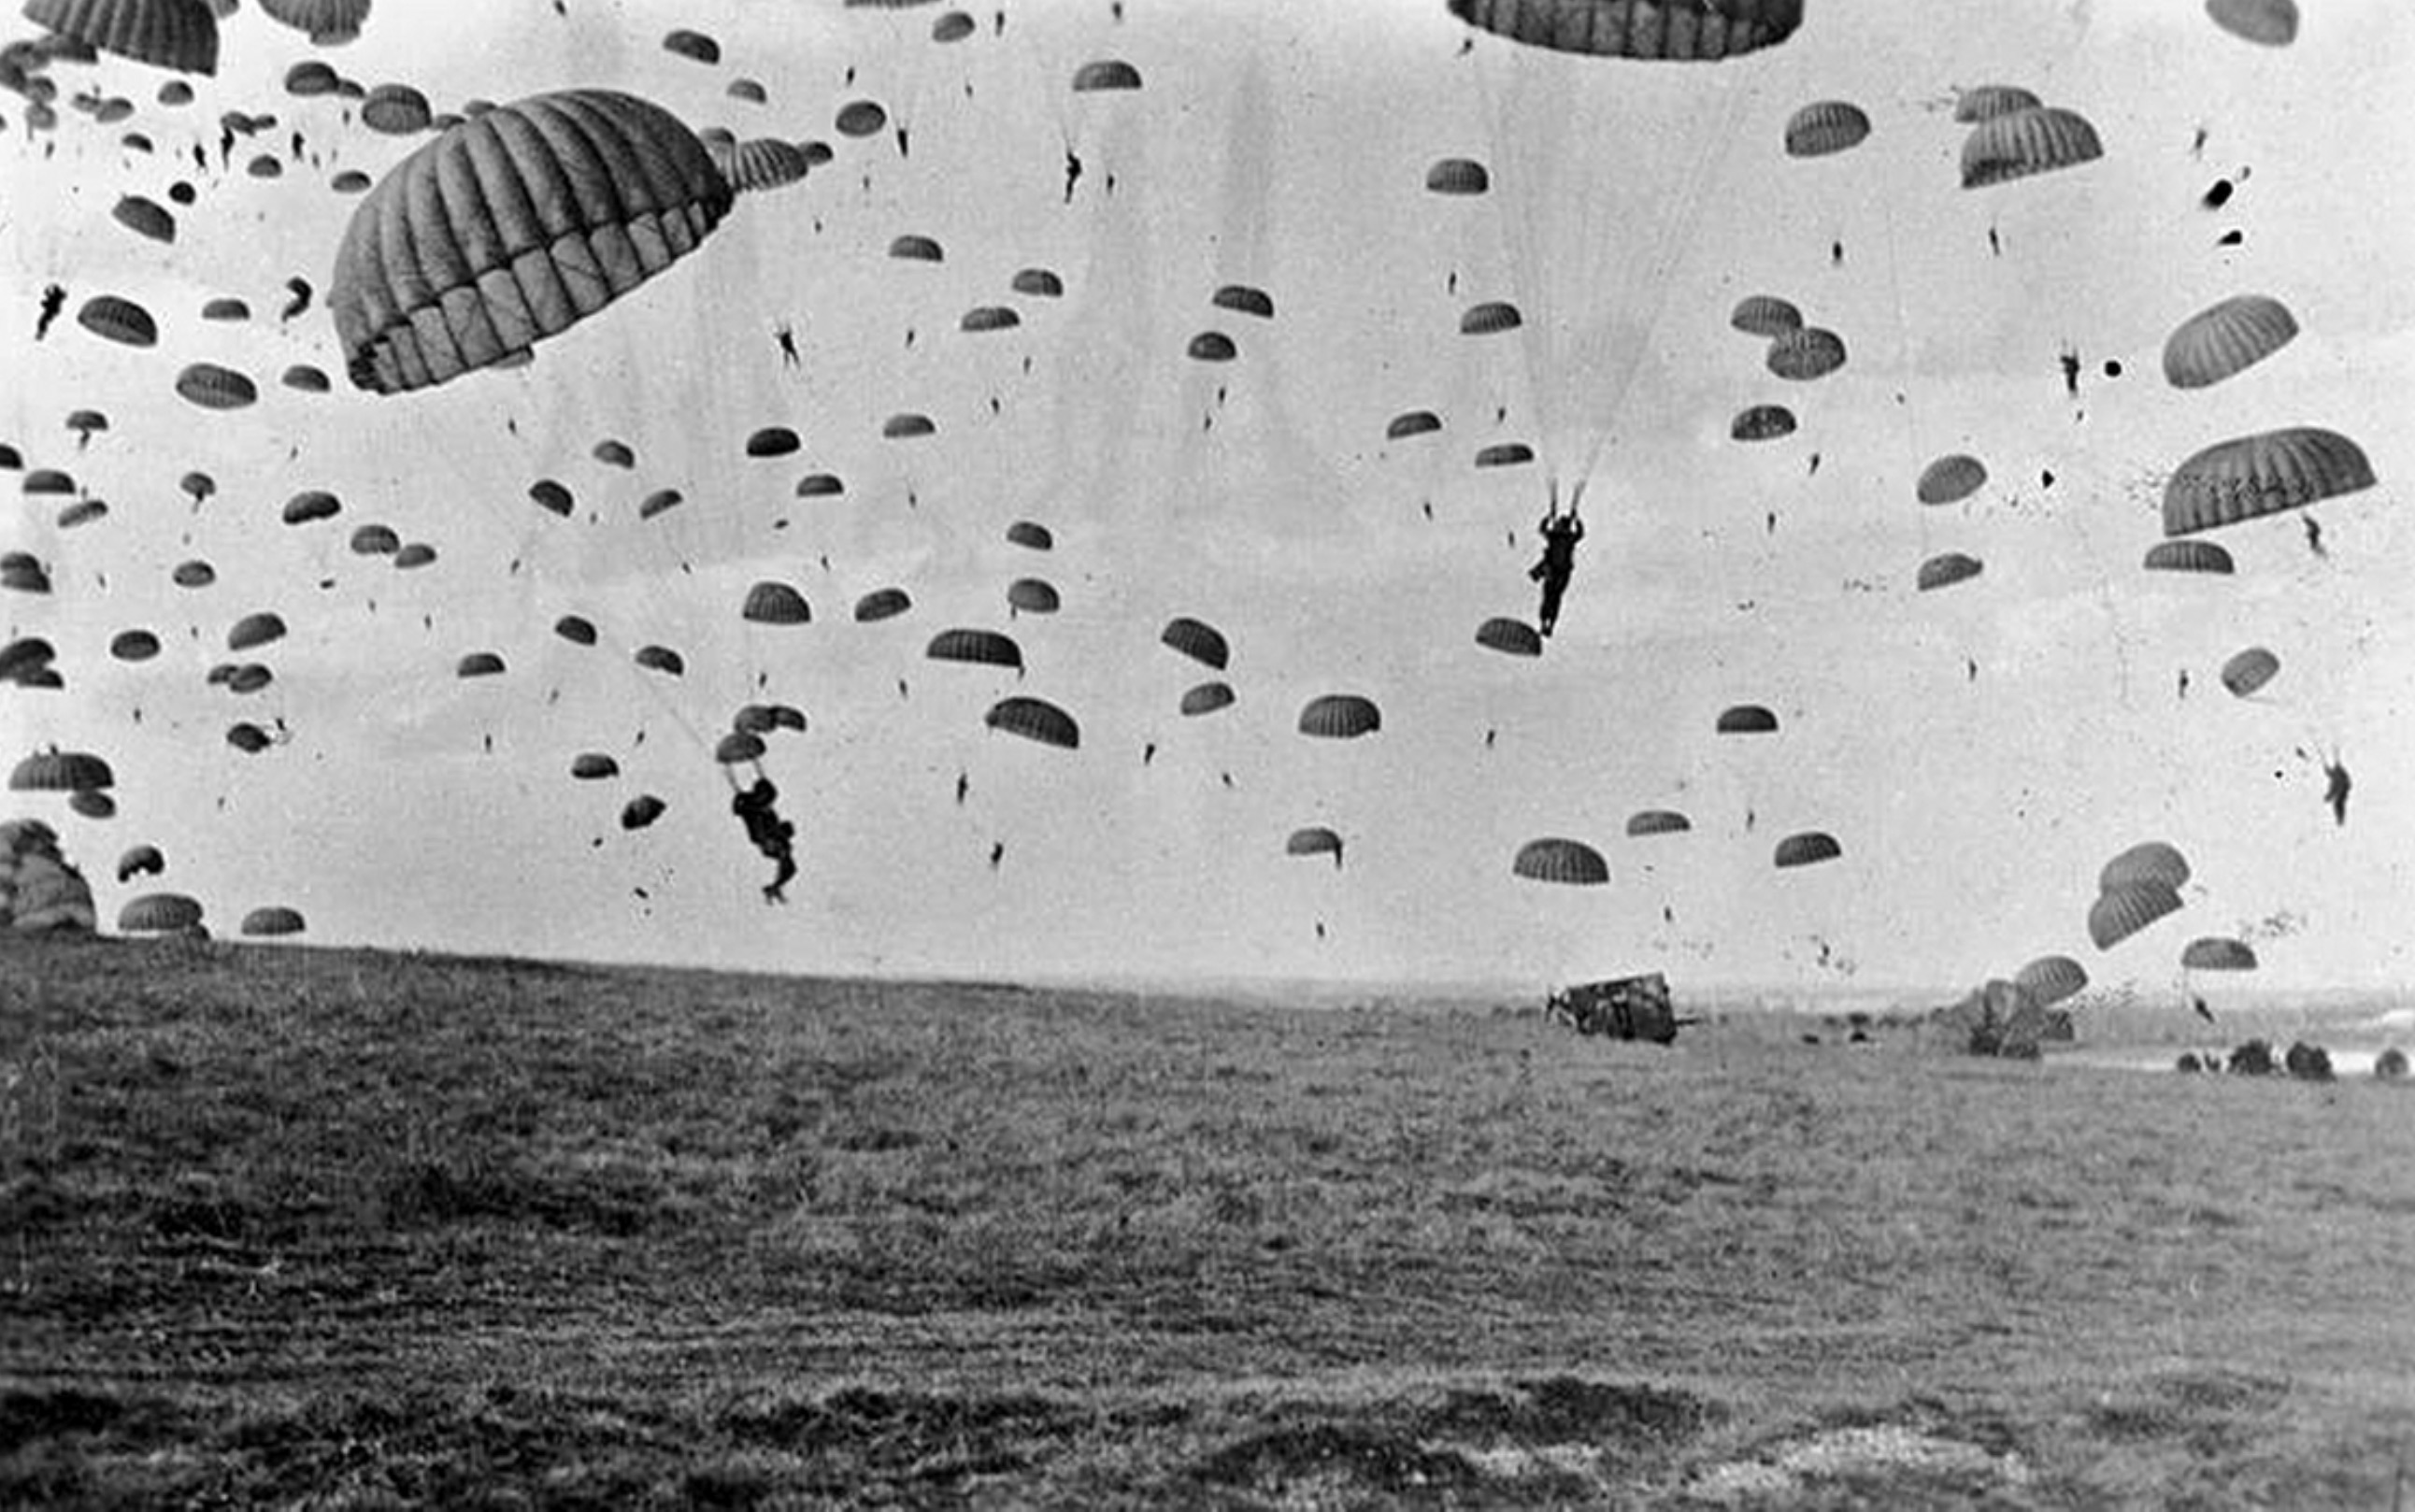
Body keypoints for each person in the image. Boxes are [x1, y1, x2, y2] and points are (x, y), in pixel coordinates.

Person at [729, 768, 798, 902]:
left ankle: (775, 887)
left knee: (788, 863)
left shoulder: (761, 813)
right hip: (762, 828)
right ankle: (775, 887)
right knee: (786, 859)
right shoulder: (754, 807)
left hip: (762, 828)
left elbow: (789, 866)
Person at [1529, 497, 1585, 637]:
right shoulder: (1567, 537)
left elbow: (1542, 529)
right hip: (1560, 573)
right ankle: (1548, 625)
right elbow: (1580, 533)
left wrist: (1548, 517)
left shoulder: (1556, 536)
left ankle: (1546, 624)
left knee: (1549, 597)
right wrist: (1577, 520)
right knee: (1554, 598)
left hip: (1555, 572)